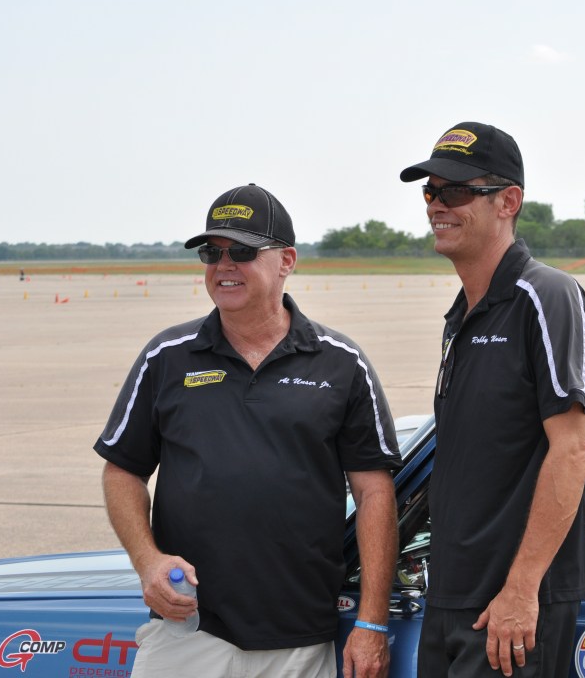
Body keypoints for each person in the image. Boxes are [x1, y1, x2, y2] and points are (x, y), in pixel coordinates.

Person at [95, 184, 401, 678]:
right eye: (211, 253)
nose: (224, 265)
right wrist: (147, 560)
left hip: (300, 642)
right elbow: (122, 472)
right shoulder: (166, 357)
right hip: (187, 632)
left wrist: (371, 622)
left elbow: (374, 493)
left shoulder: (342, 364)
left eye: (241, 251)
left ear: (286, 261)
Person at [400, 123, 585, 677]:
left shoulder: (546, 296)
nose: (437, 205)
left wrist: (521, 589)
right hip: (451, 598)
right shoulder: (460, 315)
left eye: (456, 191)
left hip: (508, 611)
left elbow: (573, 449)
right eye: (430, 191)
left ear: (508, 202)